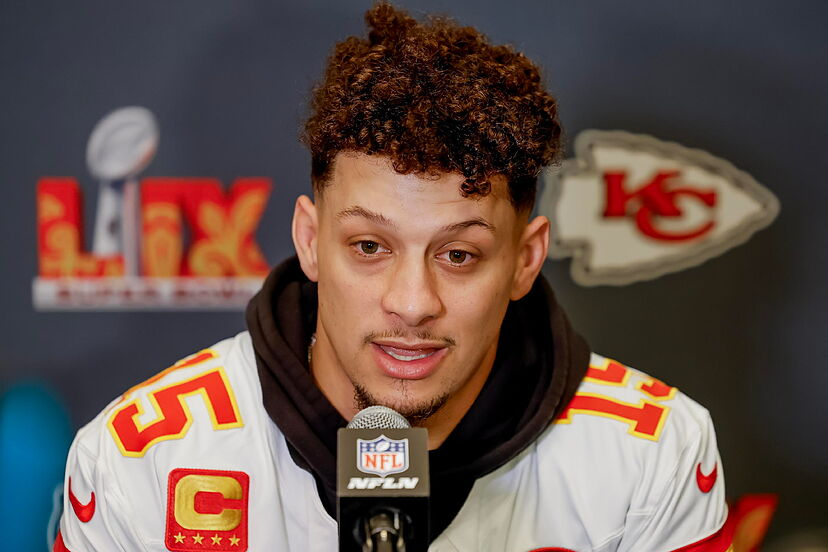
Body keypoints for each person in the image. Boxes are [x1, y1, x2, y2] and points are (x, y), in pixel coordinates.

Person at [55, 4, 732, 551]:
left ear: (525, 260)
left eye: (458, 255)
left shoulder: (653, 456)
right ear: (309, 241)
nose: (412, 304)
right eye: (370, 246)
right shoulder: (142, 458)